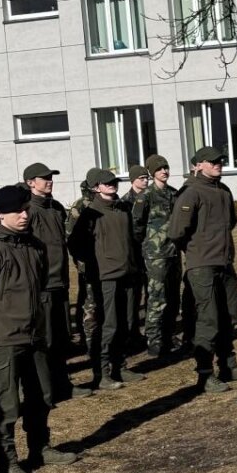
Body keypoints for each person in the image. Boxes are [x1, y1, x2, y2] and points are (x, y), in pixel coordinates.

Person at [0, 184, 76, 473]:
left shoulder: (35, 246)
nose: (24, 215)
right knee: (7, 405)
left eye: (26, 209)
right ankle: (7, 463)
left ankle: (40, 447)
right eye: (17, 211)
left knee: (41, 396)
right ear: (0, 214)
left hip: (35, 334)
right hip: (2, 339)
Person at [167, 146, 237, 392]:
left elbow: (230, 223)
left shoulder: (223, 190)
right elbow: (176, 232)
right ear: (199, 165)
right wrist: (197, 250)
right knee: (208, 319)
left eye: (220, 161)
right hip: (202, 265)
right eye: (213, 161)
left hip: (224, 262)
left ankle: (228, 365)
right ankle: (205, 374)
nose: (218, 164)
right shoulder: (191, 193)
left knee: (228, 316)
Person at [68, 168, 144, 392]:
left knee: (126, 323)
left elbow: (133, 239)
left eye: (114, 182)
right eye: (107, 182)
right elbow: (75, 244)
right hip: (106, 277)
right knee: (108, 325)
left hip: (128, 274)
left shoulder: (123, 208)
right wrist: (96, 264)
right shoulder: (90, 213)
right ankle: (102, 373)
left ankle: (120, 366)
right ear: (96, 187)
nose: (112, 185)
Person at [24, 161, 73, 404]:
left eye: (51, 177)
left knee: (62, 339)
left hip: (60, 283)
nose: (49, 181)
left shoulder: (56, 208)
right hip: (42, 285)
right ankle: (44, 393)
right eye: (44, 178)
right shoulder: (28, 211)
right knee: (45, 341)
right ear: (30, 182)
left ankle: (64, 386)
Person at [135, 154, 184, 359]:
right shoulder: (145, 196)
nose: (164, 171)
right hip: (155, 255)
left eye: (166, 167)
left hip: (174, 253)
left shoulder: (174, 194)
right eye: (159, 168)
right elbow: (136, 225)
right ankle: (154, 340)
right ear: (152, 172)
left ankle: (169, 335)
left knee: (173, 297)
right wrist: (149, 245)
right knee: (157, 298)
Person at [65, 170, 100, 367]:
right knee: (88, 303)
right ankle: (89, 342)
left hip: (103, 263)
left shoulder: (102, 204)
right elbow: (71, 238)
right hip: (87, 264)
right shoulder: (80, 207)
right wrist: (81, 262)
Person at [119, 164, 151, 351]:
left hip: (152, 254)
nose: (145, 181)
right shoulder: (125, 202)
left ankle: (152, 332)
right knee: (133, 297)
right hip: (134, 256)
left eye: (147, 178)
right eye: (141, 178)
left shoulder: (150, 197)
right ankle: (132, 334)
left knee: (152, 295)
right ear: (132, 180)